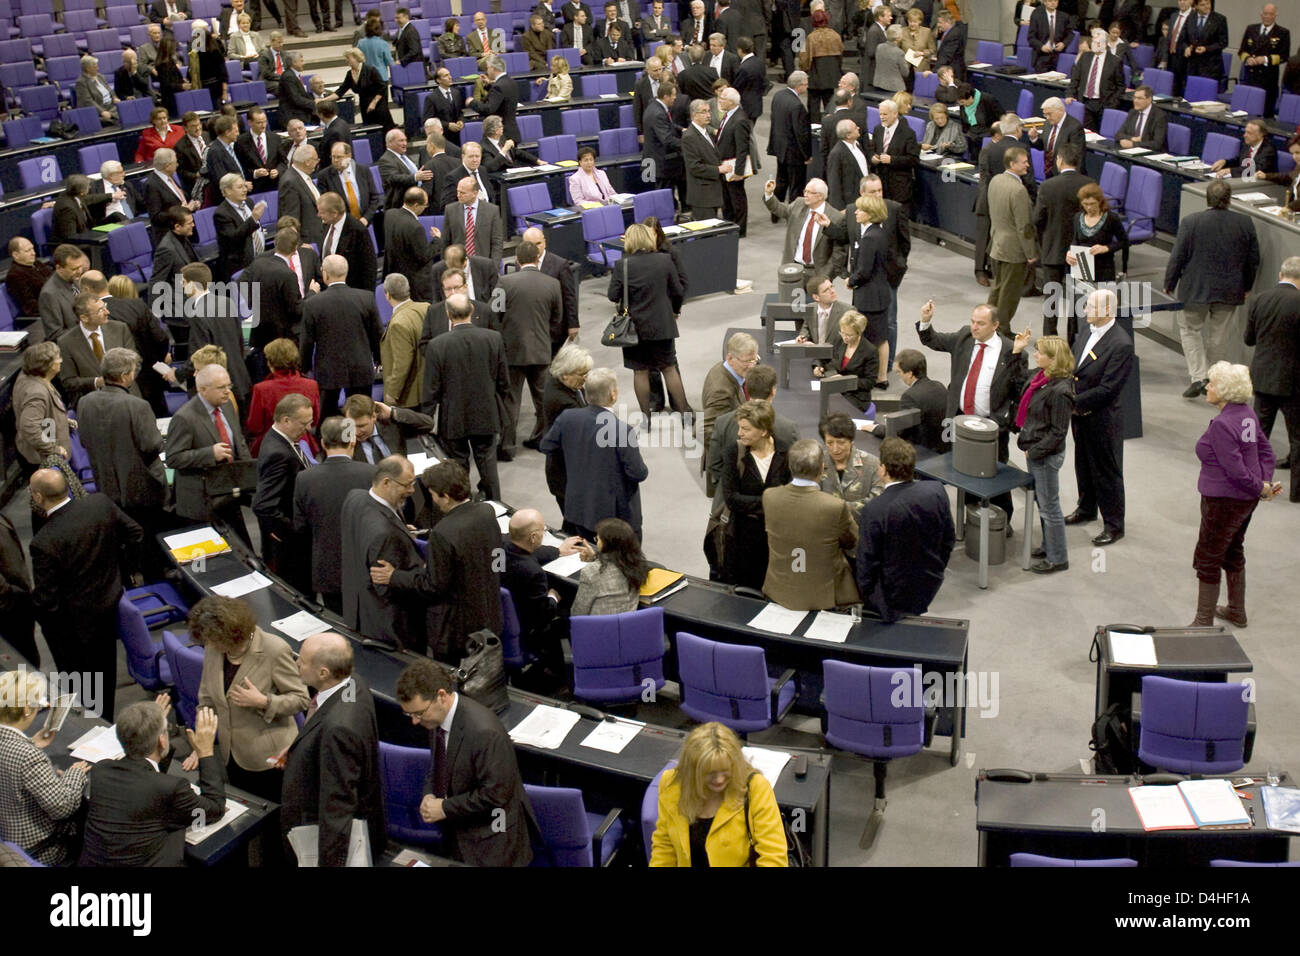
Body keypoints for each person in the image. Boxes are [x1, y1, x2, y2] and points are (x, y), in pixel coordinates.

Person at [395, 659, 537, 866]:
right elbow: (438, 764)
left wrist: (444, 807)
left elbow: (495, 794)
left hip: (492, 845)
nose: (415, 721)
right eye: (409, 714)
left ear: (441, 696)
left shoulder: (484, 732)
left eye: (418, 713)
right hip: (458, 834)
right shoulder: (435, 719)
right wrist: (429, 793)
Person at [29, 468, 142, 722]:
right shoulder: (100, 504)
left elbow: (47, 600)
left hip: (76, 628)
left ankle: (93, 732)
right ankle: (105, 725)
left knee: (85, 692)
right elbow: (136, 534)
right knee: (106, 679)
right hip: (110, 605)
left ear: (38, 497)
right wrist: (120, 572)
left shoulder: (43, 542)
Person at [80, 697, 226, 866]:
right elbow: (214, 807)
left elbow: (147, 777)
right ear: (162, 741)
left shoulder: (101, 771)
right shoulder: (171, 788)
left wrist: (146, 725)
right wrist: (206, 752)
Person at [280, 632, 385, 866]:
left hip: (315, 824)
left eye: (303, 661)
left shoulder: (338, 728)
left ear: (323, 672)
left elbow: (337, 806)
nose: (297, 663)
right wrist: (301, 748)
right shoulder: (353, 682)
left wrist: (329, 862)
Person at [190, 596, 308, 802]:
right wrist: (202, 743)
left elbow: (301, 699)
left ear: (229, 633)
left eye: (212, 639)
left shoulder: (274, 650)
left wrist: (264, 702)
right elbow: (206, 699)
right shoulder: (213, 649)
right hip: (231, 753)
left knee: (276, 813)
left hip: (269, 756)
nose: (208, 644)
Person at [918, 299, 1026, 525]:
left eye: (981, 323)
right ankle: (971, 517)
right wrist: (926, 321)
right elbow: (933, 340)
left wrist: (1008, 421)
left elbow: (1019, 389)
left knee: (995, 473)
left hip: (992, 425)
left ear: (995, 325)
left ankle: (1003, 521)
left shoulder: (1010, 350)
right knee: (963, 471)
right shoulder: (965, 337)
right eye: (973, 321)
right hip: (961, 421)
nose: (975, 327)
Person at [1191, 362, 1281, 626]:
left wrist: (1261, 488)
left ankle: (1202, 622)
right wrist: (1263, 485)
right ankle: (1236, 611)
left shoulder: (1222, 425)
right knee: (1232, 550)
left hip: (1223, 501)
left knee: (1208, 558)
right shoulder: (1247, 415)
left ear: (1226, 391)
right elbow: (1266, 453)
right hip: (1245, 503)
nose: (1207, 387)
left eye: (1212, 383)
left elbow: (1236, 472)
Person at [75, 348, 171, 575]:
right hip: (142, 489)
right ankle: (154, 576)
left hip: (106, 486)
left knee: (121, 536)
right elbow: (151, 445)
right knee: (148, 539)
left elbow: (84, 440)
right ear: (125, 375)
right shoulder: (137, 406)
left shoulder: (85, 402)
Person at [1164, 179, 1261, 398]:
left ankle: (1198, 377)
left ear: (1206, 198)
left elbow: (1178, 256)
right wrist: (1246, 286)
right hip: (1229, 291)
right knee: (1219, 338)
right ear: (1229, 200)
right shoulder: (1245, 222)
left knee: (1190, 330)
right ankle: (1214, 379)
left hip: (1194, 290)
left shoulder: (1191, 222)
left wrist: (1169, 283)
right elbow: (1253, 259)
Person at [650, 721, 787, 866]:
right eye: (710, 773)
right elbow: (664, 847)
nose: (719, 780)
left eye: (725, 770)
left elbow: (774, 857)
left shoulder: (755, 788)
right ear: (693, 770)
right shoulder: (672, 785)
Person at [540, 368, 648, 540]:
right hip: (615, 519)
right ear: (613, 395)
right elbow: (638, 473)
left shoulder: (567, 418)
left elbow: (546, 446)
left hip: (579, 509)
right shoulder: (621, 430)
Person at [855, 436, 954, 620]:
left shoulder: (874, 509)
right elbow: (948, 539)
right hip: (928, 584)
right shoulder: (936, 491)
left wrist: (867, 596)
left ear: (883, 470)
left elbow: (866, 563)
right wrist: (936, 570)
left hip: (888, 598)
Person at [424, 293, 510, 500]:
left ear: (448, 315)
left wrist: (425, 421)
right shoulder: (493, 338)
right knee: (488, 465)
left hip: (454, 417)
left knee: (458, 467)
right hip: (486, 414)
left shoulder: (437, 345)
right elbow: (504, 382)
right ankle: (495, 505)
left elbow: (431, 389)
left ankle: (462, 504)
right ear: (472, 310)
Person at [1066, 288, 1134, 546]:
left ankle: (1114, 525)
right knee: (1082, 464)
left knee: (1106, 471)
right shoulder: (1085, 330)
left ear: (1107, 311)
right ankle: (1086, 509)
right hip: (1080, 414)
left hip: (1103, 419)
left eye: (1090, 308)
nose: (1084, 312)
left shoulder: (1121, 344)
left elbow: (1108, 389)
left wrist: (1071, 401)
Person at [0, 669, 89, 865]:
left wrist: (31, 742)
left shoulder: (21, 749)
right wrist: (74, 775)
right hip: (39, 847)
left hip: (6, 832)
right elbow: (62, 807)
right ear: (25, 709)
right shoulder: (28, 756)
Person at [761, 438, 859, 610]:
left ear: (790, 467)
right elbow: (852, 541)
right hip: (823, 597)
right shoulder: (835, 506)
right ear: (822, 468)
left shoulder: (769, 496)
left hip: (779, 590)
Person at [293, 417, 374, 612]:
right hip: (368, 569)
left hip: (328, 571)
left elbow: (300, 527)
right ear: (353, 440)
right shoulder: (372, 473)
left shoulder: (304, 479)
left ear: (322, 443)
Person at [164, 363, 253, 542]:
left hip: (229, 494)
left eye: (229, 386)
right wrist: (209, 454)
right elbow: (173, 458)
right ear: (203, 389)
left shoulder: (227, 406)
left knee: (243, 553)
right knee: (210, 563)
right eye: (221, 387)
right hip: (202, 502)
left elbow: (239, 443)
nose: (227, 391)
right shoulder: (184, 418)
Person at [609, 223, 689, 418]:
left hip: (635, 328)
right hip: (663, 324)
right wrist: (674, 310)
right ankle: (686, 415)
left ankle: (646, 418)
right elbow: (678, 291)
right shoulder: (664, 260)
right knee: (669, 369)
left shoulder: (623, 265)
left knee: (640, 372)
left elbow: (613, 295)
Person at [1012, 332, 1075, 573]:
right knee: (1043, 502)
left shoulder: (1060, 392)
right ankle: (1049, 546)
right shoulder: (1041, 378)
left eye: (1039, 353)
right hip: (1035, 449)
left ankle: (1058, 557)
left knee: (1049, 506)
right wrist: (1018, 352)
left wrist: (1035, 452)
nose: (1035, 355)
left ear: (1053, 359)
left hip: (1045, 456)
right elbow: (1019, 380)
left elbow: (1059, 433)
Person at [719, 400, 791, 589]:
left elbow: (791, 497)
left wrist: (754, 503)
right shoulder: (733, 452)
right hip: (741, 538)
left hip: (776, 540)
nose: (739, 433)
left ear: (764, 431)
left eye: (746, 429)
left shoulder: (787, 452)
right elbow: (731, 498)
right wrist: (772, 502)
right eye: (739, 427)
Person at [300, 254, 382, 414]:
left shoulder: (312, 304)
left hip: (328, 371)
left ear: (325, 274)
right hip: (361, 367)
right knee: (362, 415)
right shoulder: (366, 298)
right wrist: (379, 360)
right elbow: (377, 335)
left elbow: (307, 342)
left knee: (327, 417)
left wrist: (304, 367)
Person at [1245, 257, 1300, 490]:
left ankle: (1252, 482)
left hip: (1263, 377)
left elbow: (1249, 340)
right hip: (1294, 382)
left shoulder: (1259, 299)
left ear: (1280, 275)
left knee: (1257, 433)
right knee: (1297, 437)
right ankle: (1297, 492)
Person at [251, 392, 314, 588]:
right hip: (289, 544)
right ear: (286, 420)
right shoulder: (278, 453)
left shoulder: (279, 440)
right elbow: (262, 505)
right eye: (304, 423)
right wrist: (290, 530)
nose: (308, 429)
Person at [1033, 144, 1093, 336]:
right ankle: (1074, 342)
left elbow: (1037, 220)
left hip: (1053, 248)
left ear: (1060, 160)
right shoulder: (1090, 185)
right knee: (1079, 300)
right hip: (1082, 252)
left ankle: (1050, 341)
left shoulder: (1048, 186)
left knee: (1051, 299)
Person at [986, 147, 1039, 332]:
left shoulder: (995, 180)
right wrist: (1031, 253)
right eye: (1024, 162)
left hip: (997, 244)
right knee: (1009, 293)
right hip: (1013, 250)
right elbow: (1024, 226)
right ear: (1012, 164)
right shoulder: (1018, 190)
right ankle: (1002, 330)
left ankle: (988, 324)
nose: (1027, 165)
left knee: (997, 289)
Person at [13, 342, 79, 490]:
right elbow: (30, 427)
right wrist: (53, 449)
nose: (61, 360)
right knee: (47, 503)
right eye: (57, 358)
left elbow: (42, 417)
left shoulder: (32, 378)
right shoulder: (36, 392)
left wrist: (62, 420)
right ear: (47, 365)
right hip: (43, 460)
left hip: (40, 455)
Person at [245, 338, 320, 454]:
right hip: (304, 446)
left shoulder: (261, 389)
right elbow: (314, 420)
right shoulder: (311, 385)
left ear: (270, 362)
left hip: (270, 447)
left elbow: (255, 425)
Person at [541, 344, 591, 514]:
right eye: (582, 374)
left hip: (567, 472)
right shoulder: (564, 403)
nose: (586, 379)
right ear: (565, 374)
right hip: (566, 475)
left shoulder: (563, 384)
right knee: (575, 521)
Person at [571, 517, 649, 615]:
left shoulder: (591, 572)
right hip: (627, 627)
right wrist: (595, 557)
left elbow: (578, 613)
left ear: (608, 545)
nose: (596, 542)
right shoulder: (638, 565)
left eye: (597, 539)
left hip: (595, 629)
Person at [817, 413, 883, 519]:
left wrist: (841, 510)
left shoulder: (872, 464)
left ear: (851, 441)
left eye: (841, 442)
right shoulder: (817, 462)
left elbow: (878, 500)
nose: (835, 449)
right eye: (829, 443)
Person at [813, 310, 879, 410]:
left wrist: (845, 381)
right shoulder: (839, 339)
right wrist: (817, 366)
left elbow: (869, 382)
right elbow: (822, 356)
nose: (844, 337)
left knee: (835, 409)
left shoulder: (870, 351)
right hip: (833, 385)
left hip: (854, 394)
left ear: (858, 333)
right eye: (842, 333)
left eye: (849, 335)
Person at [1065, 27, 1124, 132]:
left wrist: (1113, 103)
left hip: (1104, 104)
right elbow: (1075, 78)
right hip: (1085, 102)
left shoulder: (1115, 61)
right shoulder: (1085, 57)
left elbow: (1120, 86)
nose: (1093, 44)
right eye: (1093, 41)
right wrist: (1070, 94)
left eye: (1097, 42)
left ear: (1105, 44)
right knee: (1086, 134)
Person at [1238, 3, 1289, 118]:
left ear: (1275, 15)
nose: (1267, 16)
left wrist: (1265, 59)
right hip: (1250, 77)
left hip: (1268, 80)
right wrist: (1248, 58)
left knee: (1265, 115)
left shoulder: (1283, 33)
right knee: (1245, 112)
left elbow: (1284, 56)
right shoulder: (1251, 29)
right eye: (1265, 14)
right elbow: (1242, 51)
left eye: (1270, 14)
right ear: (1261, 15)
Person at [443, 170, 503, 256]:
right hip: (458, 263)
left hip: (483, 263)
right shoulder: (450, 210)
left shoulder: (492, 211)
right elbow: (445, 241)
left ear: (475, 193)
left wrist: (493, 266)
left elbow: (497, 242)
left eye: (462, 193)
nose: (458, 195)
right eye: (458, 191)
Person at [336, 46, 394, 129]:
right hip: (364, 105)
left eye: (348, 58)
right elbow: (341, 91)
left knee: (384, 130)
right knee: (371, 131)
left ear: (356, 58)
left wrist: (373, 103)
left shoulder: (370, 70)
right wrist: (324, 100)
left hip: (378, 105)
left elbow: (382, 87)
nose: (346, 60)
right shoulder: (350, 74)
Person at [38, 245, 88, 342]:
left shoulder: (75, 279)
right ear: (59, 268)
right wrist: (87, 330)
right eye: (74, 269)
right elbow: (55, 334)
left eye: (80, 267)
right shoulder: (49, 294)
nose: (79, 271)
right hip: (75, 344)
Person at [1210, 119, 1278, 179]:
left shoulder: (1269, 150)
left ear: (1260, 135)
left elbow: (1256, 169)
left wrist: (1230, 170)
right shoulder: (1247, 144)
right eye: (1245, 132)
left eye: (1249, 133)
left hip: (1261, 183)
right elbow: (1238, 160)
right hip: (1245, 180)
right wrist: (1225, 162)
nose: (1244, 135)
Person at [5, 237, 53, 319]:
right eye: (28, 251)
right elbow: (31, 307)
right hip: (47, 313)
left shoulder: (37, 264)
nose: (33, 253)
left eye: (32, 249)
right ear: (16, 255)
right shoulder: (15, 276)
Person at [1115, 85, 1168, 151]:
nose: (1135, 101)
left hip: (1150, 154)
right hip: (1131, 152)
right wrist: (1132, 138)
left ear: (1149, 99)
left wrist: (1133, 144)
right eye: (1135, 98)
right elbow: (1118, 135)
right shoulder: (1132, 112)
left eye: (1139, 98)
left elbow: (1157, 144)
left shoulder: (1160, 116)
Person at [1027, 0, 1072, 72]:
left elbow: (1070, 34)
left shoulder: (1064, 17)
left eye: (1055, 0)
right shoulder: (1037, 15)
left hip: (1058, 55)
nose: (1053, 3)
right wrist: (1041, 46)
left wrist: (1063, 44)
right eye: (1050, 0)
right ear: (1045, 2)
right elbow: (1031, 37)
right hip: (1041, 55)